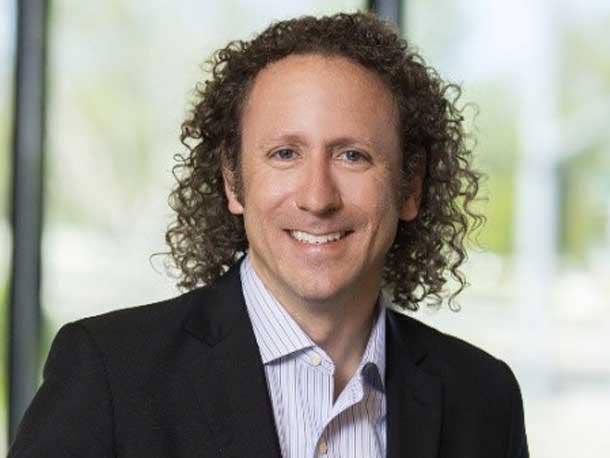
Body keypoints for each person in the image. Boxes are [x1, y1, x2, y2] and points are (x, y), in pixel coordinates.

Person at [9, 11, 529, 458]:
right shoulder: (110, 375)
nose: (317, 198)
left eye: (353, 156)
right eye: (285, 154)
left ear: (410, 186)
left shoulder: (484, 398)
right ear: (233, 182)